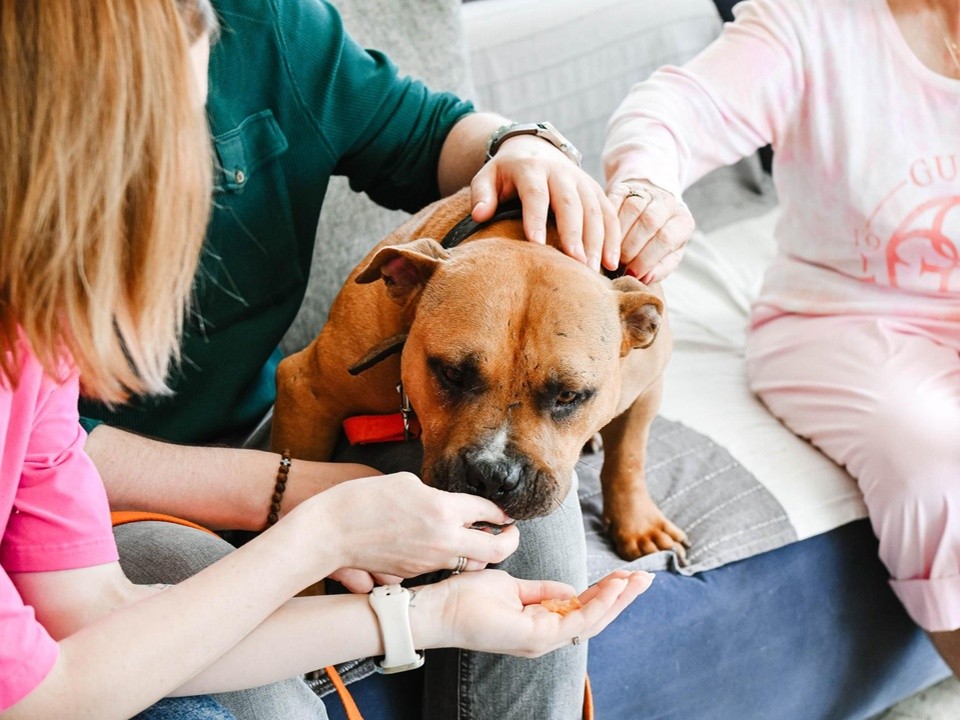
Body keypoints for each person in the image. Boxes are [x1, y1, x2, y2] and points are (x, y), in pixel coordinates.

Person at [0, 2, 657, 719]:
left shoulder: (258, 21)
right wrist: (312, 512)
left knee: (536, 522)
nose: (195, 192)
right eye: (183, 152)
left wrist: (525, 149)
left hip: (126, 476)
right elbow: (50, 688)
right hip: (123, 495)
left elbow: (427, 133)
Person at [603, 0, 960, 676]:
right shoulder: (809, 22)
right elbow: (674, 107)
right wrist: (645, 187)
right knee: (934, 457)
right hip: (839, 319)